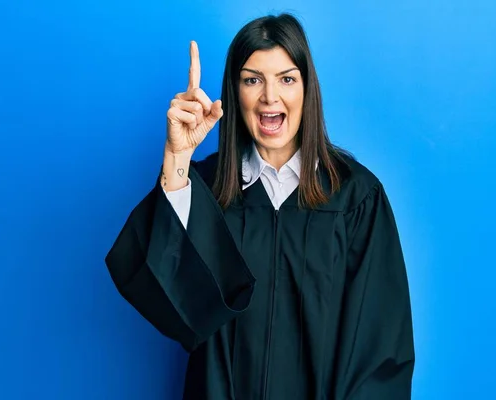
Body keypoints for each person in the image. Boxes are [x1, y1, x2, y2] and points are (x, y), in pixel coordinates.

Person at [105, 13, 415, 400]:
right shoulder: (204, 188)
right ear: (235, 92)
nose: (270, 97)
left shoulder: (355, 198)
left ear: (307, 89)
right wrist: (177, 157)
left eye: (287, 79)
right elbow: (172, 301)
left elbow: (378, 348)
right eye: (253, 80)